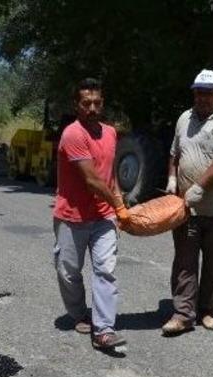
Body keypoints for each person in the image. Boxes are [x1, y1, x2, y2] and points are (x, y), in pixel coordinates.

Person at [162, 69, 213, 336]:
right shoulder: (184, 118)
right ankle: (183, 314)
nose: (201, 97)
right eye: (198, 92)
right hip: (188, 207)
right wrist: (172, 180)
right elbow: (175, 153)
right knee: (185, 262)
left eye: (208, 93)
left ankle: (208, 309)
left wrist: (199, 187)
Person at [53, 78, 131, 349]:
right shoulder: (73, 134)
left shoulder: (110, 133)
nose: (92, 108)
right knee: (69, 272)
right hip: (71, 216)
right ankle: (78, 313)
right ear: (77, 105)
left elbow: (109, 176)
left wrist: (118, 202)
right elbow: (92, 181)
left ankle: (104, 329)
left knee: (105, 270)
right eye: (86, 103)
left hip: (103, 216)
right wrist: (119, 205)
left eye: (97, 103)